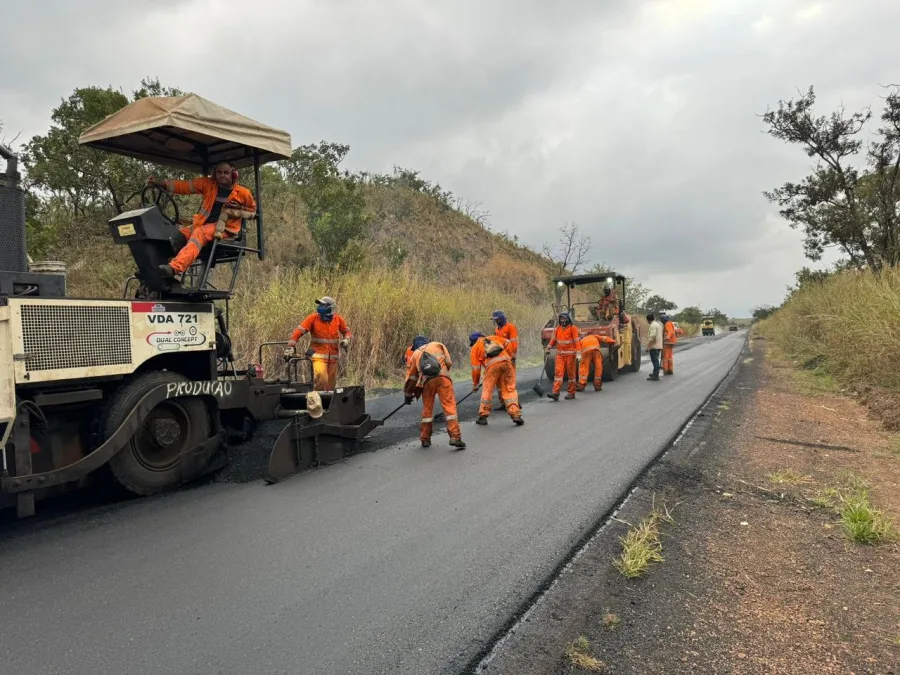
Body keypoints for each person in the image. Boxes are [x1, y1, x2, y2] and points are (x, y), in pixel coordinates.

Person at [147, 161, 256, 277]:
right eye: (219, 172)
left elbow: (252, 211)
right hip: (202, 224)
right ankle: (152, 270)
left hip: (224, 229)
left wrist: (239, 208)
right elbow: (184, 186)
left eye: (226, 172)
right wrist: (161, 183)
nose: (222, 175)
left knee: (199, 233)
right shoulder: (208, 184)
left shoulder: (243, 193)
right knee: (175, 236)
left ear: (233, 175)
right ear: (215, 174)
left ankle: (174, 268)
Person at [403, 336, 466, 449]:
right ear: (427, 342)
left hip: (427, 382)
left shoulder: (415, 354)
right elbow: (448, 362)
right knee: (449, 408)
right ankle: (455, 437)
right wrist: (443, 372)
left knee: (427, 410)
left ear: (415, 346)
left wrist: (408, 394)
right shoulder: (438, 345)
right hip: (443, 379)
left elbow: (412, 378)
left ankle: (425, 439)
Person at [284, 296, 352, 391]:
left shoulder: (338, 319)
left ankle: (327, 404)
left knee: (330, 387)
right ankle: (316, 402)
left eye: (322, 305)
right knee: (322, 380)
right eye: (319, 304)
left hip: (333, 358)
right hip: (317, 356)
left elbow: (346, 331)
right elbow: (299, 331)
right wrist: (290, 346)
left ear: (331, 307)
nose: (320, 306)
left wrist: (346, 340)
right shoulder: (313, 318)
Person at [469, 332, 524, 426]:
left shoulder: (475, 347)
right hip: (507, 363)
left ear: (474, 341)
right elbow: (507, 342)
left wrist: (475, 384)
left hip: (492, 368)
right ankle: (516, 415)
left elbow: (476, 369)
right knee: (509, 389)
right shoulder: (493, 338)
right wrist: (510, 356)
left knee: (487, 390)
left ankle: (483, 416)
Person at [546, 311, 581, 400]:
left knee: (571, 375)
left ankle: (571, 393)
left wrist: (579, 353)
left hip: (570, 355)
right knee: (558, 374)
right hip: (560, 355)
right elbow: (554, 339)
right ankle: (555, 393)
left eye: (564, 319)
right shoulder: (558, 328)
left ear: (568, 319)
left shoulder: (573, 328)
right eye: (561, 319)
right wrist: (548, 347)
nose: (563, 321)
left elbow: (577, 341)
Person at [491, 310, 519, 410]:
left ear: (502, 318)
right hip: (500, 359)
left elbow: (514, 343)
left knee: (509, 381)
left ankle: (514, 403)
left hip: (509, 358)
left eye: (497, 319)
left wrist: (513, 356)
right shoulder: (497, 329)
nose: (496, 321)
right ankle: (503, 403)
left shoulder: (510, 327)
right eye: (495, 320)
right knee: (500, 382)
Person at [646, 313, 663, 381]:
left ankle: (655, 376)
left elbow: (652, 337)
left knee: (655, 361)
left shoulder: (653, 326)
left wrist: (648, 346)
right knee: (656, 361)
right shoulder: (658, 324)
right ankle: (654, 373)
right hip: (658, 345)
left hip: (654, 346)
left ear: (648, 320)